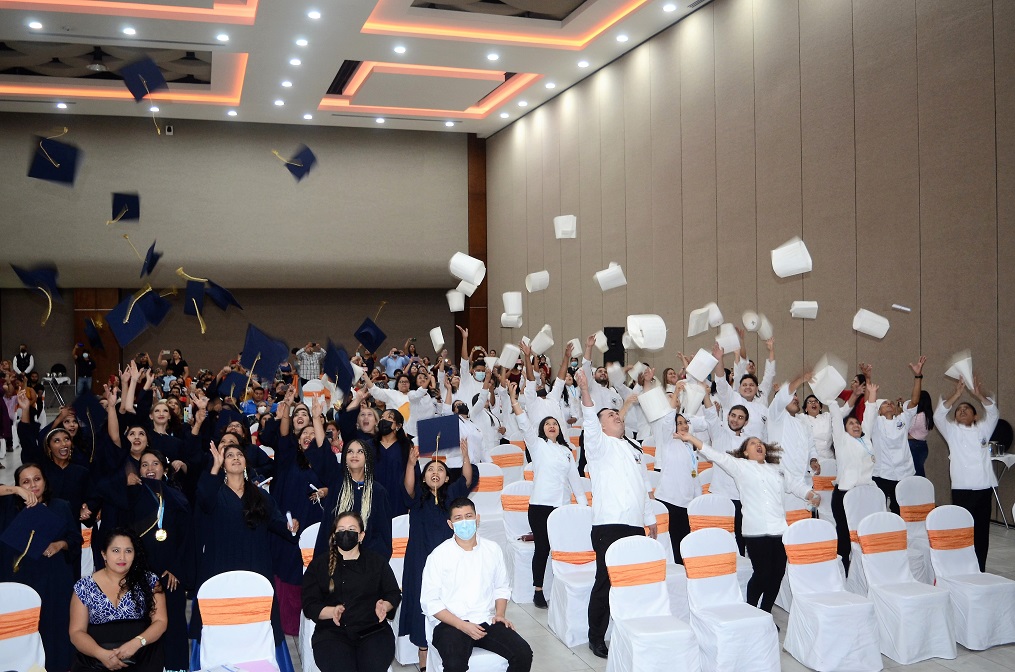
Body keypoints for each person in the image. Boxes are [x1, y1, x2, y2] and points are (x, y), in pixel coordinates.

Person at [681, 430, 818, 612]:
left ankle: (765, 612)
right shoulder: (740, 466)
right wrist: (691, 438)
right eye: (753, 443)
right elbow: (716, 455)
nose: (758, 445)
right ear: (745, 452)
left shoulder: (778, 469)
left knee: (777, 574)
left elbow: (796, 486)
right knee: (763, 574)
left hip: (780, 530)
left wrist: (811, 494)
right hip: (755, 530)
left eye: (760, 442)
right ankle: (751, 610)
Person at [576, 368, 656, 658]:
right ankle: (596, 636)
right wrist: (586, 391)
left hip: (635, 524)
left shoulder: (634, 447)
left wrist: (649, 519)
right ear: (601, 426)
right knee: (605, 581)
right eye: (610, 416)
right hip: (609, 525)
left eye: (618, 414)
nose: (617, 417)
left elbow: (643, 486)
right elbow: (589, 419)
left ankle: (627, 628)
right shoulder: (598, 446)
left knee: (630, 579)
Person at [191, 438, 300, 648]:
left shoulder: (260, 494)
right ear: (222, 464)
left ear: (246, 462)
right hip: (220, 566)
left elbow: (277, 521)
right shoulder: (214, 491)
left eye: (239, 455)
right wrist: (213, 467)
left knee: (256, 623)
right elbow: (203, 500)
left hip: (255, 565)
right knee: (223, 623)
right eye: (229, 456)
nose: (235, 458)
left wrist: (290, 527)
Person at [421, 497, 532, 672]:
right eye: (458, 518)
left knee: (523, 653)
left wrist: (500, 614)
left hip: (485, 619)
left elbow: (501, 586)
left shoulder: (492, 549)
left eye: (468, 516)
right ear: (450, 524)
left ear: (477, 519)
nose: (464, 522)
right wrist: (462, 625)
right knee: (455, 665)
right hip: (451, 624)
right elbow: (430, 602)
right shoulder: (438, 555)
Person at [508, 381, 586, 607]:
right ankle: (538, 590)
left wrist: (583, 509)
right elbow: (524, 424)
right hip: (540, 506)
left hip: (561, 508)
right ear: (542, 429)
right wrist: (514, 401)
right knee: (543, 548)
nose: (552, 426)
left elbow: (576, 484)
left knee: (561, 548)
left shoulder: (566, 452)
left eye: (555, 423)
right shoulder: (537, 446)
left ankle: (562, 587)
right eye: (548, 423)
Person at [399, 441, 474, 671]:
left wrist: (465, 457)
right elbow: (408, 487)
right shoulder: (418, 496)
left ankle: (447, 644)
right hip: (419, 560)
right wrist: (412, 464)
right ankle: (423, 654)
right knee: (421, 603)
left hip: (446, 561)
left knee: (447, 600)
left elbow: (467, 480)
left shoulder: (452, 496)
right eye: (430, 469)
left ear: (447, 478)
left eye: (440, 470)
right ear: (423, 477)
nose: (435, 472)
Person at [0, 463, 82, 672]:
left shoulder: (60, 505)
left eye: (37, 479)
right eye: (25, 481)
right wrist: (16, 491)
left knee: (56, 626)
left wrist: (59, 544)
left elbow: (74, 539)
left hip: (54, 578)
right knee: (24, 629)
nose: (32, 485)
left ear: (45, 481)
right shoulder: (8, 505)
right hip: (20, 579)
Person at [301, 511, 401, 672]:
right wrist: (331, 611)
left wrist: (385, 606)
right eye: (341, 530)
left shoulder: (376, 562)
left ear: (361, 536)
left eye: (351, 529)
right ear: (334, 535)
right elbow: (309, 604)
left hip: (373, 631)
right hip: (332, 633)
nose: (346, 534)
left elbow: (393, 593)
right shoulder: (319, 565)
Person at [70, 528, 168, 672]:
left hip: (143, 658)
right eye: (116, 551)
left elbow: (161, 621)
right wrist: (101, 654)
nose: (122, 557)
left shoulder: (150, 581)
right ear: (104, 554)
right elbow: (76, 632)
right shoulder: (84, 586)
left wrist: (137, 643)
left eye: (128, 551)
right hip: (95, 661)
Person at [934, 374, 999, 572]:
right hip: (962, 489)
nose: (962, 411)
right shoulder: (952, 432)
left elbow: (993, 413)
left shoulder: (983, 430)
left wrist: (978, 395)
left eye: (966, 409)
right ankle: (961, 568)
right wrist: (956, 394)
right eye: (959, 410)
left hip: (983, 488)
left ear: (975, 416)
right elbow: (938, 415)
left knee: (981, 532)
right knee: (962, 531)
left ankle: (980, 569)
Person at [862, 358, 925, 514]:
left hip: (904, 473)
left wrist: (918, 376)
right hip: (882, 474)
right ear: (879, 411)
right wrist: (868, 380)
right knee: (879, 509)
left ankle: (901, 536)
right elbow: (868, 405)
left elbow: (915, 400)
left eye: (890, 403)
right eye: (884, 404)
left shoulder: (903, 419)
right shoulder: (875, 422)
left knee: (901, 510)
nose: (889, 404)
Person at [829, 390, 876, 575]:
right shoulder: (842, 441)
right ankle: (844, 573)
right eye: (850, 423)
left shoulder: (866, 440)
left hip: (865, 494)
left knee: (865, 534)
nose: (855, 425)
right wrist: (831, 401)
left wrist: (871, 395)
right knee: (845, 536)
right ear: (844, 428)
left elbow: (870, 415)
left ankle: (863, 573)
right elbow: (835, 420)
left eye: (857, 422)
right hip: (845, 495)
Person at [909, 390, 935, 477]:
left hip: (914, 446)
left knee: (915, 474)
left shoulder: (919, 416)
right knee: (918, 472)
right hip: (921, 446)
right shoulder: (927, 415)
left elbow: (907, 430)